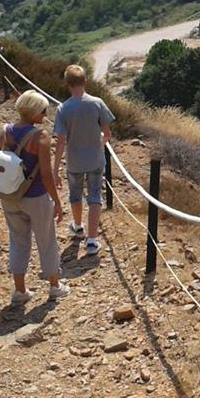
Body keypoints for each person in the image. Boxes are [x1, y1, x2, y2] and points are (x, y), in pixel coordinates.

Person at [0, 90, 70, 304]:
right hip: (36, 198)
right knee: (47, 241)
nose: (45, 113)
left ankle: (20, 291)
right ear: (34, 112)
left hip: (9, 196)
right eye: (43, 110)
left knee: (18, 241)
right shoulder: (40, 136)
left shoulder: (4, 132)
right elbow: (46, 173)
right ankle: (54, 286)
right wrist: (57, 202)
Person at [53, 64, 115, 256]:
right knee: (95, 197)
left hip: (74, 161)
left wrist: (55, 169)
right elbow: (107, 133)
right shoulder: (97, 103)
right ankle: (92, 240)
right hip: (96, 159)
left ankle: (78, 226)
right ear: (85, 81)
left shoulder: (63, 109)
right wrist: (100, 144)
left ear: (67, 84)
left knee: (75, 195)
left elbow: (61, 142)